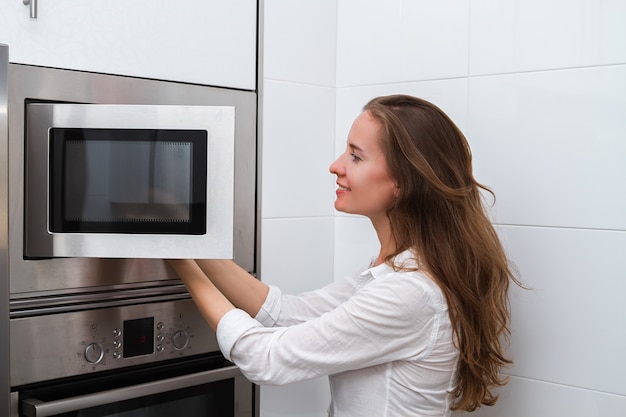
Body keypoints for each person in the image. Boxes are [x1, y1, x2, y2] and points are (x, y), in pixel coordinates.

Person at [168, 94, 520, 416]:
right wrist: (191, 243)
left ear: (402, 181)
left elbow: (266, 358)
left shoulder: (410, 293)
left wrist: (182, 262)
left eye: (355, 155)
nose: (336, 166)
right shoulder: (393, 269)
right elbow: (284, 312)